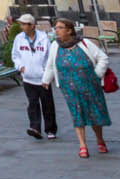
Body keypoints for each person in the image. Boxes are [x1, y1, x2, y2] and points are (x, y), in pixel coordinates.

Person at [45, 17, 112, 158]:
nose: (56, 30)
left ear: (69, 30)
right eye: (56, 28)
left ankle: (100, 140)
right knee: (77, 114)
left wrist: (97, 74)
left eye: (60, 27)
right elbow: (50, 64)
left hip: (90, 85)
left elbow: (103, 58)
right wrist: (46, 80)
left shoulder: (84, 43)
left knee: (94, 113)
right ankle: (83, 145)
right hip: (69, 88)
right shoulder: (55, 45)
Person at [10, 13, 57, 140]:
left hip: (42, 77)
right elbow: (15, 55)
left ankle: (50, 129)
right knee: (32, 103)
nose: (21, 27)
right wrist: (20, 67)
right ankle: (35, 127)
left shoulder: (43, 38)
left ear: (31, 26)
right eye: (21, 24)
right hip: (28, 78)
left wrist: (47, 73)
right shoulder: (19, 38)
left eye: (24, 24)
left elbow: (49, 57)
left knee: (47, 104)